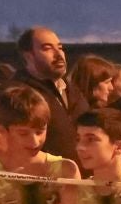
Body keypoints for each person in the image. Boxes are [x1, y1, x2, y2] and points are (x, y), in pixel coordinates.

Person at [11, 27, 74, 156]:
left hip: (78, 174)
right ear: (28, 56)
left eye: (60, 48)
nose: (58, 54)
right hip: (40, 174)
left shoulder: (72, 90)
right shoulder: (13, 94)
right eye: (47, 48)